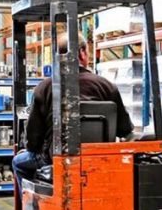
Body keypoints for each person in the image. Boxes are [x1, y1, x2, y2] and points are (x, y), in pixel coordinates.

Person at [12, 33, 134, 199]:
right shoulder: (107, 86)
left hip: (55, 159)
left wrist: (32, 148)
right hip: (99, 159)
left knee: (18, 162)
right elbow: (124, 129)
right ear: (82, 53)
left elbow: (33, 140)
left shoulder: (44, 88)